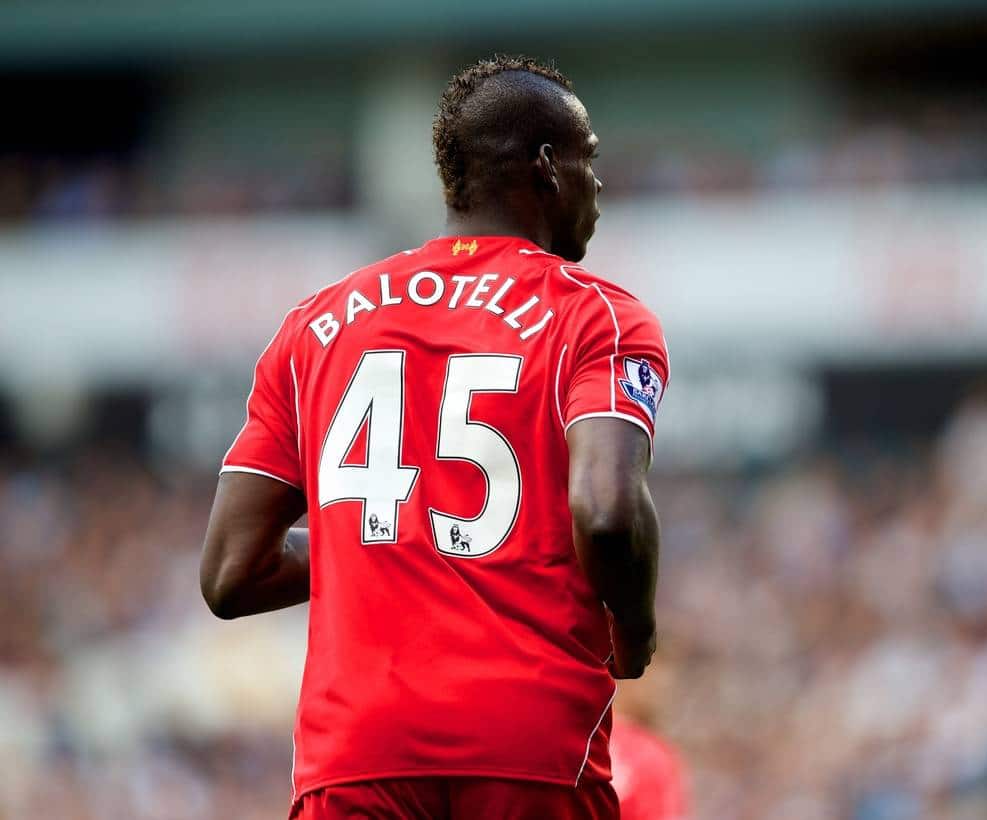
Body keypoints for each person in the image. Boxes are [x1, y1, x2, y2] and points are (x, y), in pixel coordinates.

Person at [200, 55, 669, 820]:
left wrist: (386, 543)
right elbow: (609, 511)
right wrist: (637, 627)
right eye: (590, 159)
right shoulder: (596, 316)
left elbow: (229, 571)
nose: (600, 184)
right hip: (528, 748)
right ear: (548, 169)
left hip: (354, 754)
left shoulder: (314, 327)